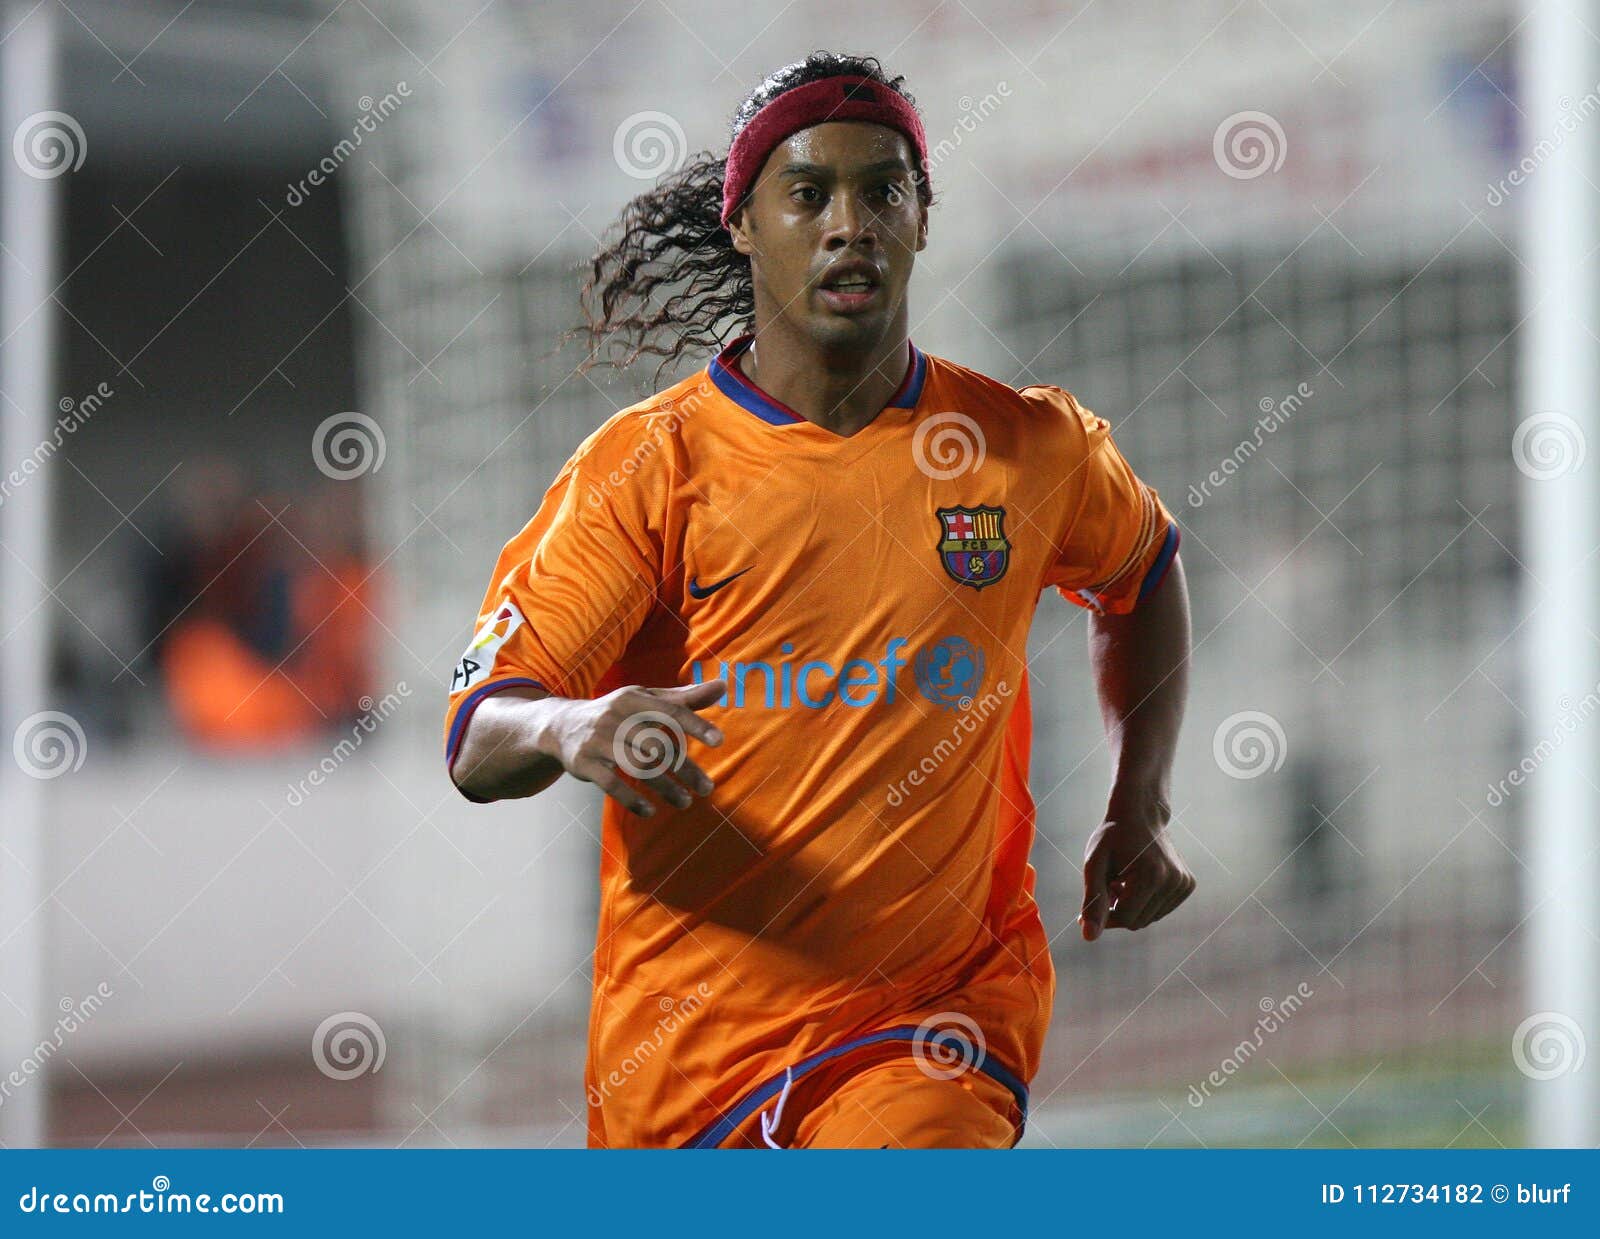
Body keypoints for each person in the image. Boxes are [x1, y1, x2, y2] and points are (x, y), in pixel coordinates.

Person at [443, 52, 1193, 1148]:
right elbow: (477, 736)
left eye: (883, 190)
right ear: (744, 224)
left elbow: (1143, 574)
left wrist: (1142, 800)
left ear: (922, 220)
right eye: (809, 195)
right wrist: (571, 725)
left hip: (928, 1021)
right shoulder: (648, 471)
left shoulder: (1029, 449)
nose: (852, 224)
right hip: (685, 1059)